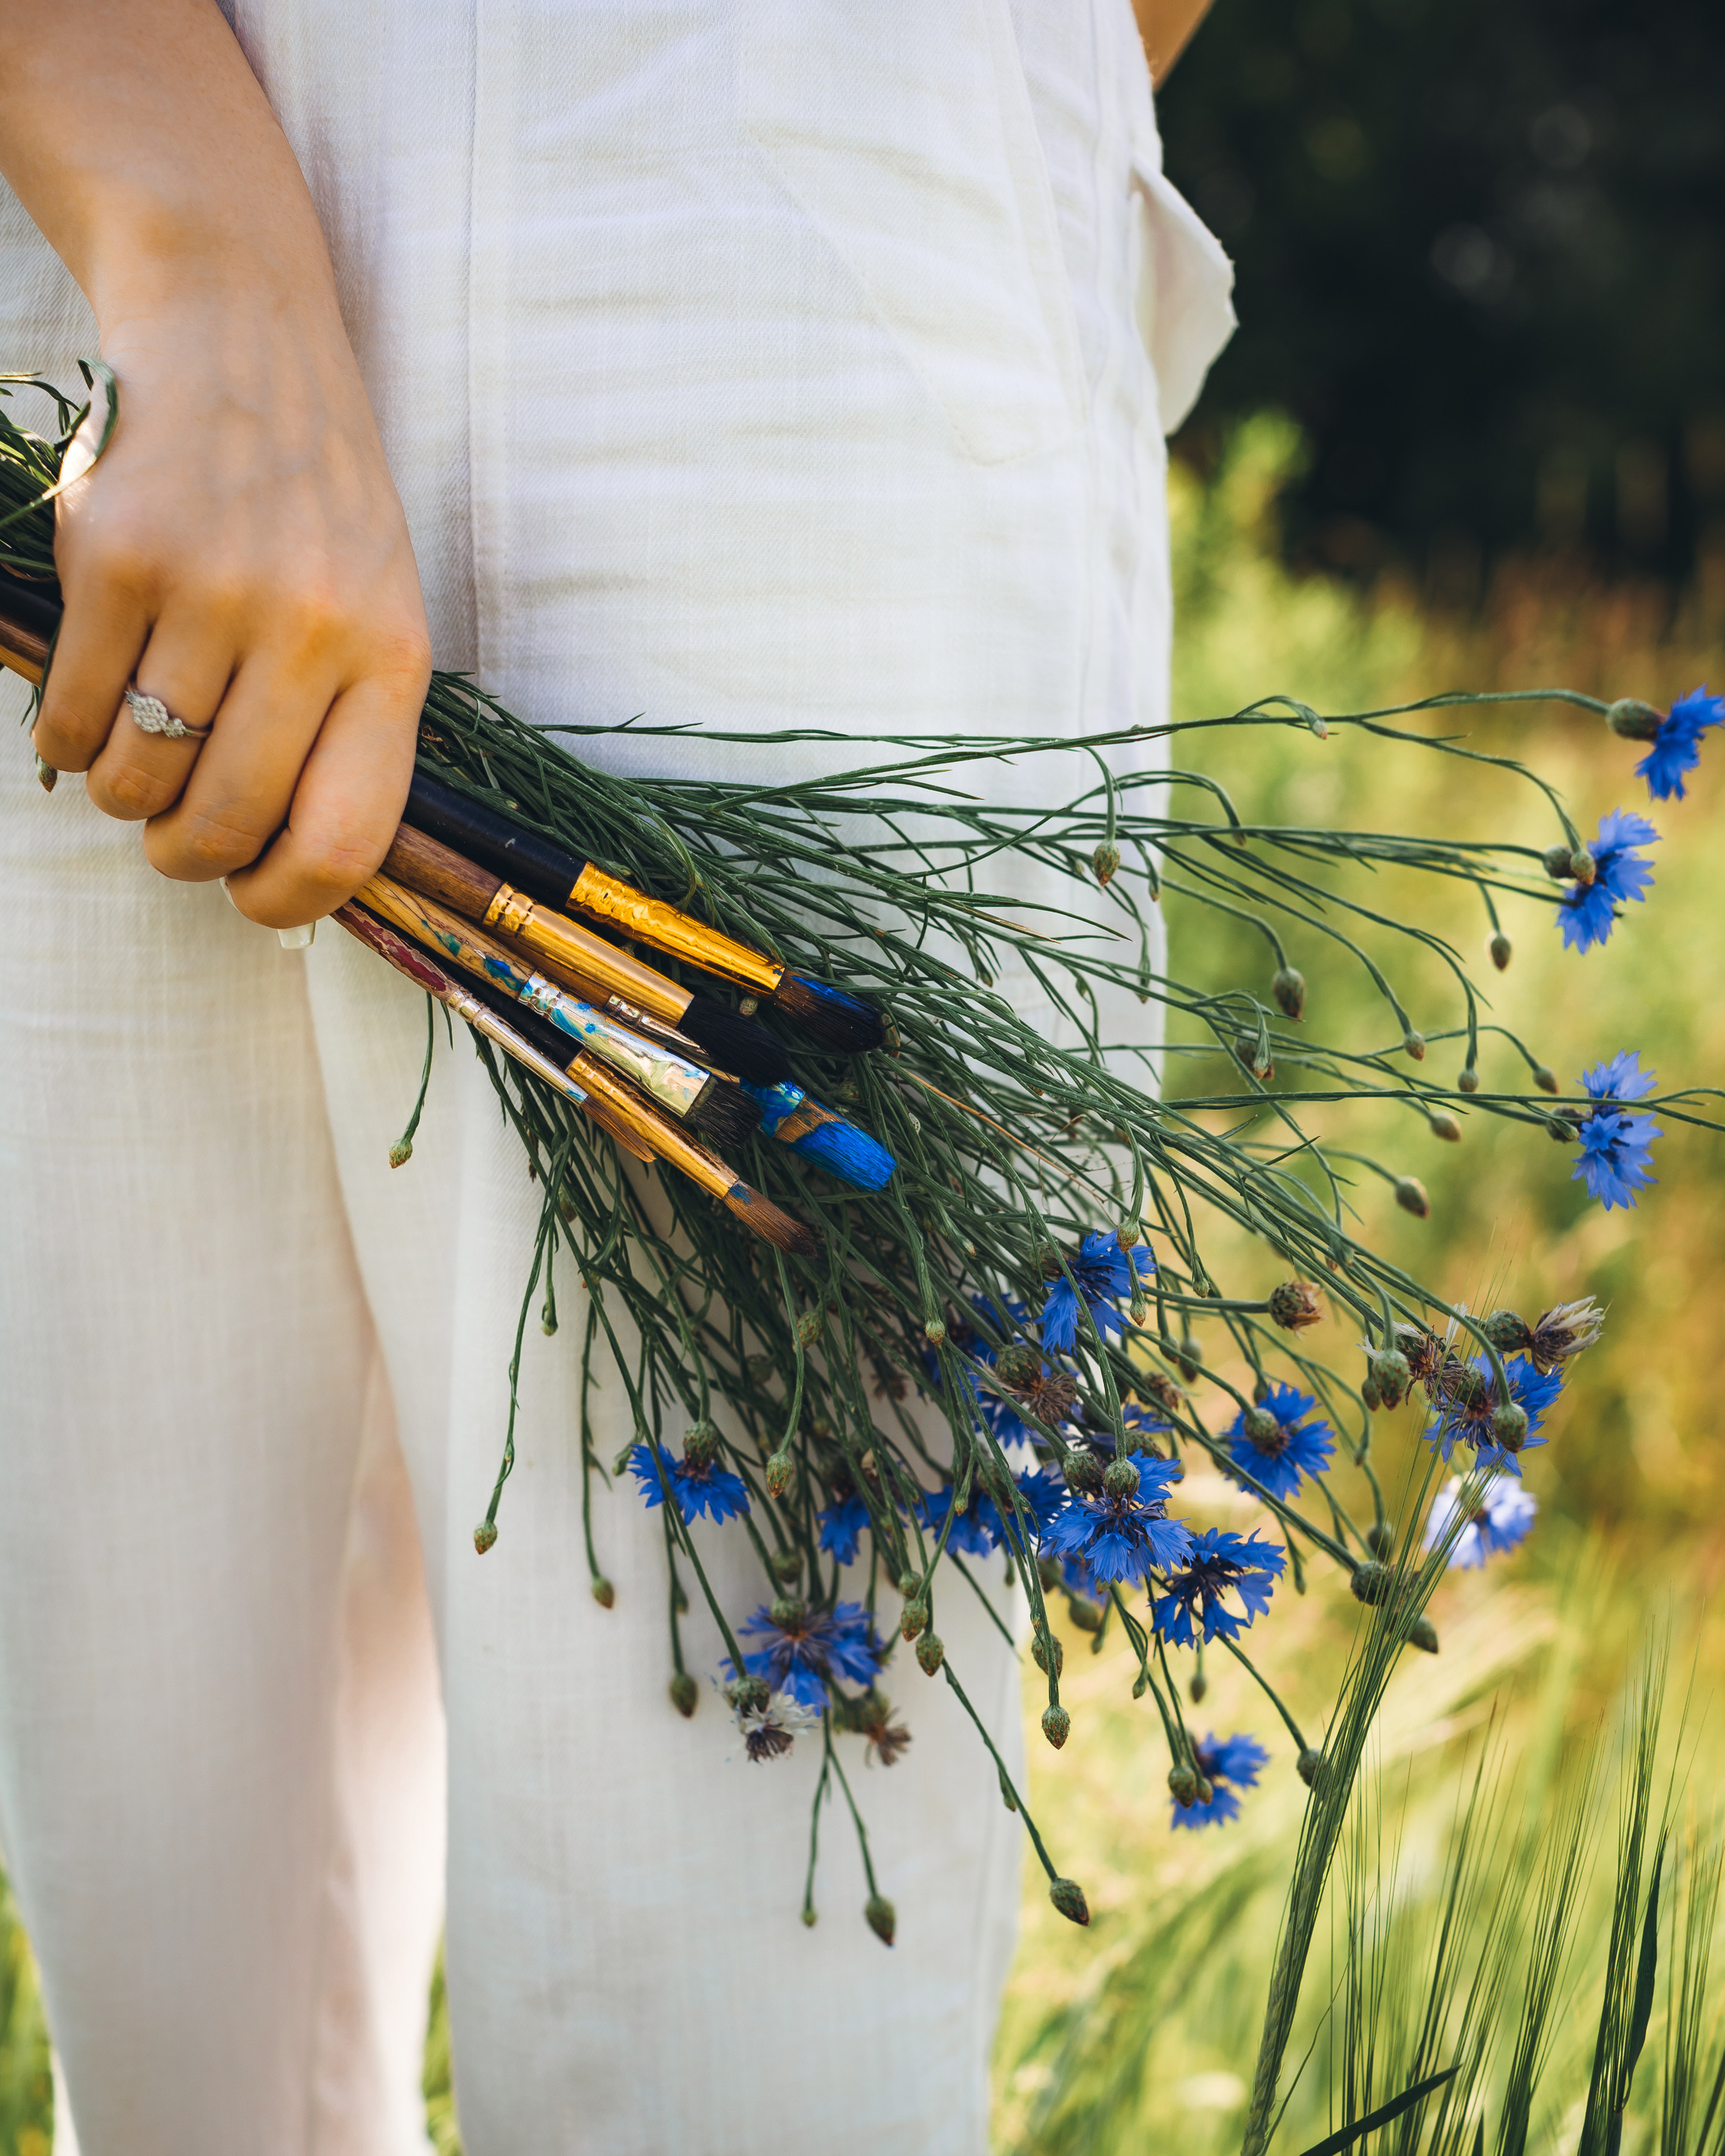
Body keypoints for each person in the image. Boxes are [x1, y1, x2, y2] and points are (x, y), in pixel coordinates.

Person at [0, 3, 1231, 2149]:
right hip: (70, 296)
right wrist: (183, 230)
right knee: (165, 1901)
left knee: (752, 2027)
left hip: (807, 274)